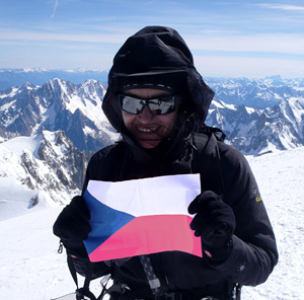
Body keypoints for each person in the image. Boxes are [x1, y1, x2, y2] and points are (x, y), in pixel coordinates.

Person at [53, 26, 278, 300]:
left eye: (161, 104)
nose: (145, 118)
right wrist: (76, 244)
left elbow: (263, 262)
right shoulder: (105, 168)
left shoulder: (223, 163)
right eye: (133, 104)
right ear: (118, 105)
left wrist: (225, 247)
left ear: (182, 105)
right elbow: (96, 266)